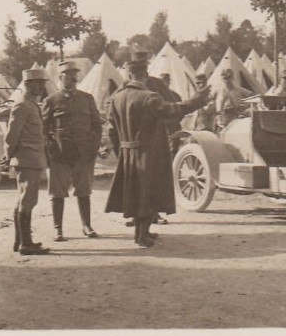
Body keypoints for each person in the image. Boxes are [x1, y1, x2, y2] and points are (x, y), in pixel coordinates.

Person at [105, 52, 211, 247]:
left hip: (128, 151)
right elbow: (174, 110)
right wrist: (198, 100)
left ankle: (140, 232)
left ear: (129, 75)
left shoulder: (117, 98)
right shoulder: (149, 97)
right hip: (148, 151)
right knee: (147, 192)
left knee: (134, 193)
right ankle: (142, 235)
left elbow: (111, 124)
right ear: (145, 75)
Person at [42, 60, 103, 241]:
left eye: (74, 75)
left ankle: (87, 225)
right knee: (57, 191)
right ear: (60, 78)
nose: (72, 78)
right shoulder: (51, 101)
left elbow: (97, 125)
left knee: (84, 190)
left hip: (84, 153)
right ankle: (58, 229)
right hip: (60, 154)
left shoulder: (87, 98)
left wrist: (93, 145)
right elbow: (44, 130)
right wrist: (51, 149)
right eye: (68, 75)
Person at [5, 67, 51, 256]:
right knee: (27, 200)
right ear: (28, 84)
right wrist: (9, 156)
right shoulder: (22, 105)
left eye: (42, 83)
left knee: (24, 200)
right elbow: (11, 135)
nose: (41, 86)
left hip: (31, 158)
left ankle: (20, 241)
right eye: (38, 83)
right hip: (26, 159)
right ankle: (26, 244)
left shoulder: (30, 104)